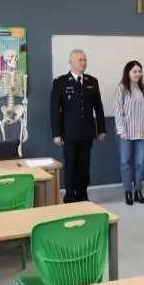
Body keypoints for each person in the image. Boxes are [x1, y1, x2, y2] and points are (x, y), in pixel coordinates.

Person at [50, 49, 107, 203]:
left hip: (87, 131)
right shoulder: (60, 82)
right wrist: (57, 133)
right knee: (70, 166)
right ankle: (70, 195)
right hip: (69, 132)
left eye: (85, 60)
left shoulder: (92, 81)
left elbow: (98, 108)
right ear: (71, 63)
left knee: (84, 166)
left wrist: (101, 129)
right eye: (80, 60)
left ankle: (82, 194)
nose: (83, 63)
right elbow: (55, 110)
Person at [114, 60, 144, 206]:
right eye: (134, 71)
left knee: (140, 163)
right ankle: (128, 191)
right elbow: (118, 111)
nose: (138, 74)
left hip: (142, 133)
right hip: (125, 134)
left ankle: (138, 191)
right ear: (128, 73)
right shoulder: (122, 89)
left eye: (139, 71)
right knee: (126, 163)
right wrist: (122, 130)